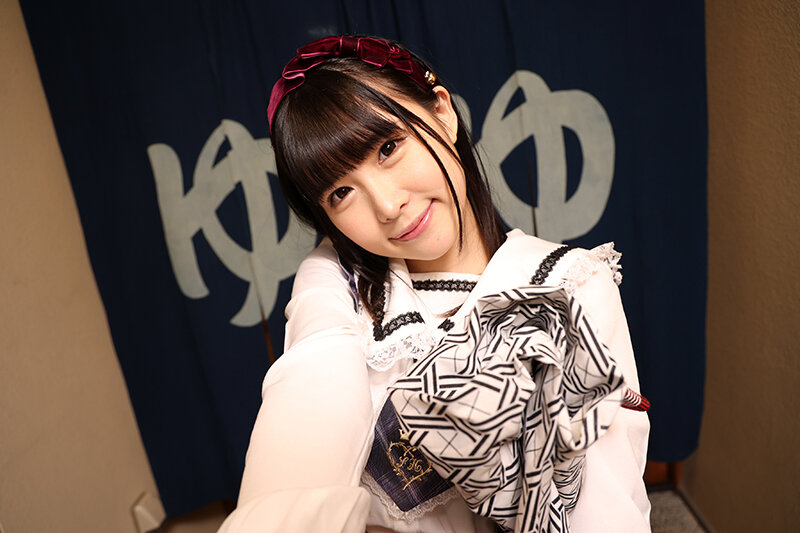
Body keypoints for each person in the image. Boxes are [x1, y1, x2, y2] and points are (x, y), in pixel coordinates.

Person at [218, 35, 650, 533]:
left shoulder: (570, 285)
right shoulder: (338, 280)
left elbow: (606, 510)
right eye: (341, 192)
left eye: (388, 148)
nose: (387, 205)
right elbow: (307, 408)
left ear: (442, 113)